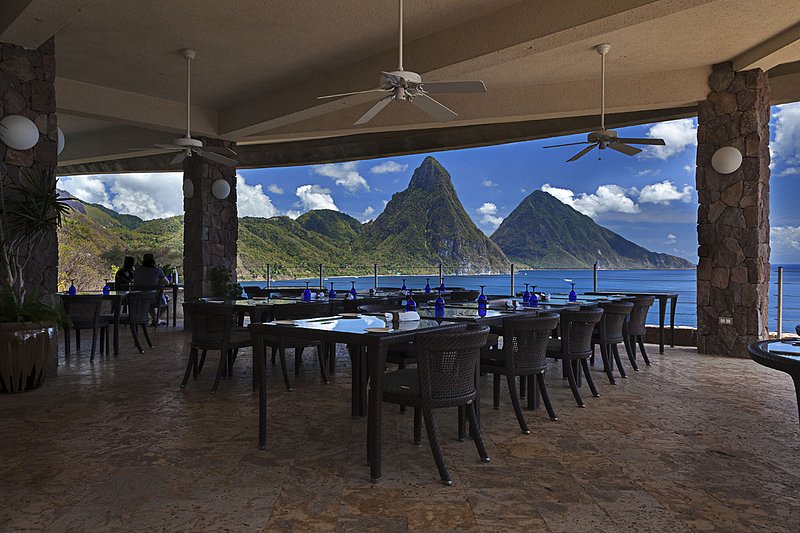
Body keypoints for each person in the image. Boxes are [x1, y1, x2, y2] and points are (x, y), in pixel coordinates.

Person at [133, 253, 169, 326]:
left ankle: (156, 319)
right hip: (153, 298)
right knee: (166, 302)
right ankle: (156, 319)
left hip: (139, 298)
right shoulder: (157, 270)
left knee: (148, 302)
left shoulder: (137, 270)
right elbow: (167, 282)